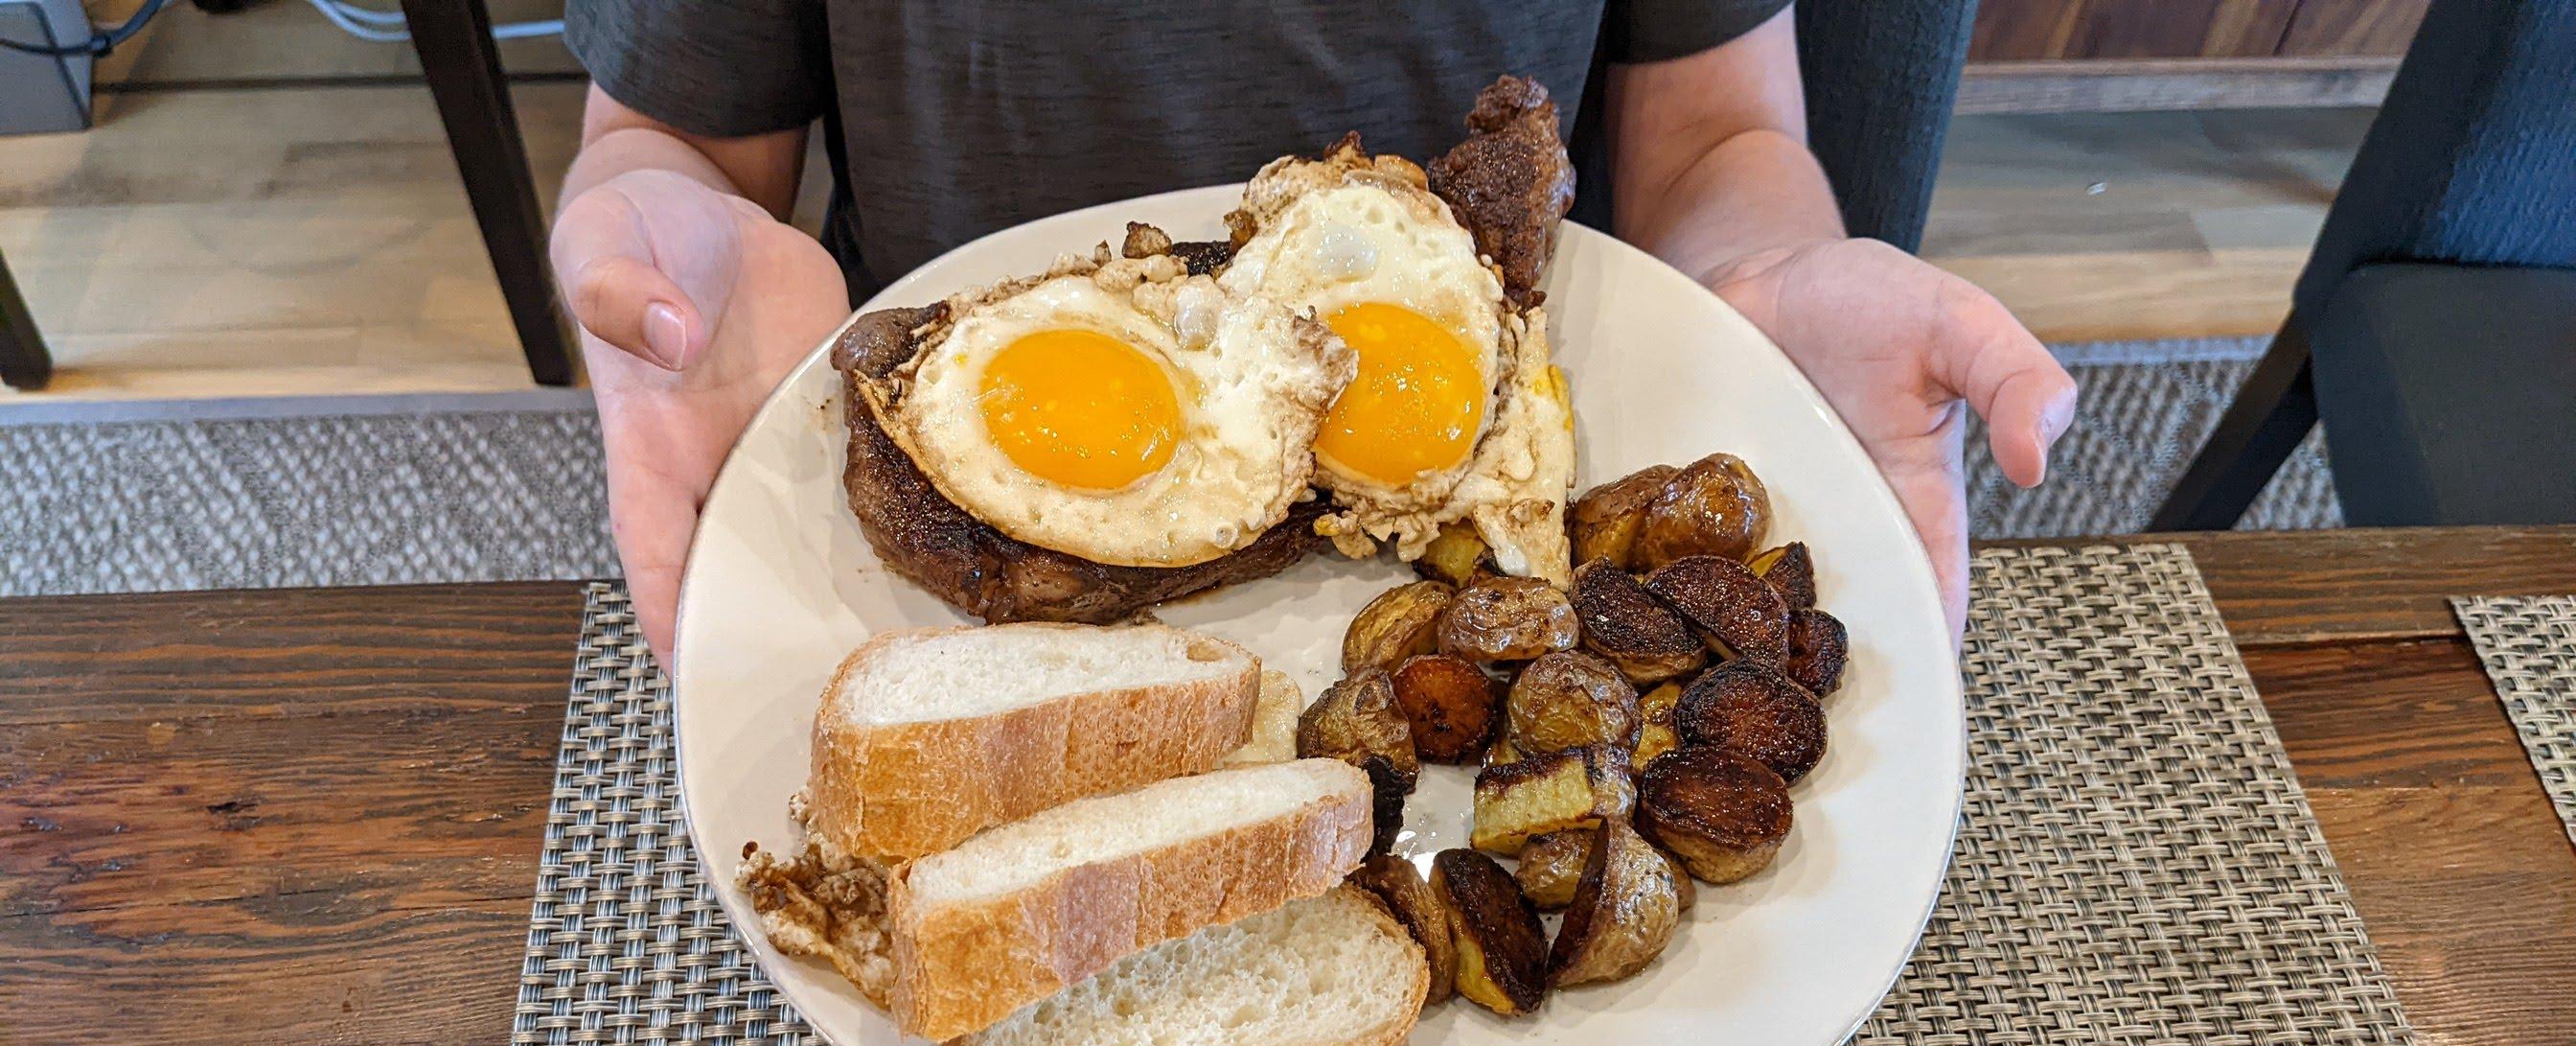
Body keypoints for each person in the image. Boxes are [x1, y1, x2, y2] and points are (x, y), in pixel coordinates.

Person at [548, 1, 2077, 662]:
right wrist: (649, 202)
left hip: (1460, 414)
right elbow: (679, 138)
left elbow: (1713, 142)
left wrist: (1774, 271)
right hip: (903, 479)